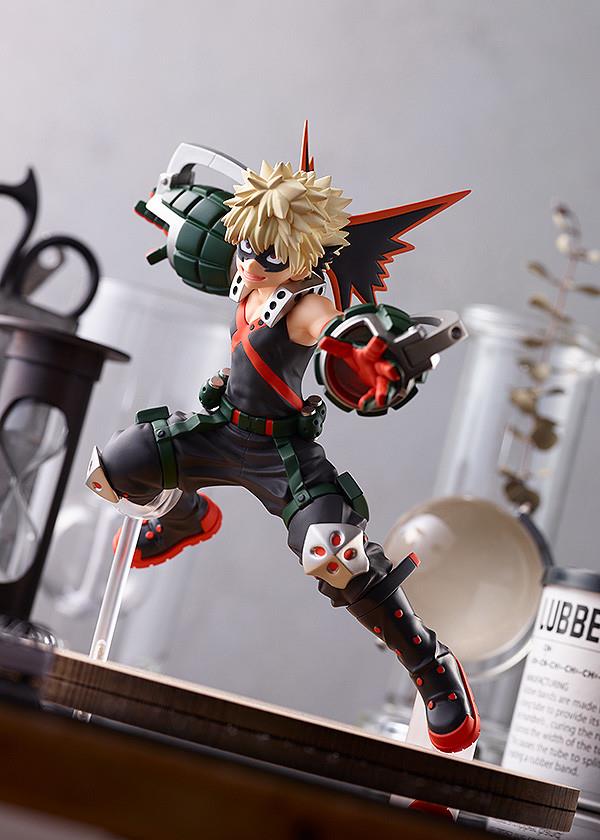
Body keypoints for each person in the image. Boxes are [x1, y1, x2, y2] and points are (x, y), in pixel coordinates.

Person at [86, 131, 479, 753]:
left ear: (303, 257)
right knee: (115, 466)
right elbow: (194, 227)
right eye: (246, 245)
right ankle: (187, 516)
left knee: (334, 554)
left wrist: (372, 353)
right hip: (222, 432)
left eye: (267, 254)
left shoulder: (301, 305)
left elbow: (337, 330)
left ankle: (430, 665)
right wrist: (170, 204)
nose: (249, 263)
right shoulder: (244, 278)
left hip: (283, 456)